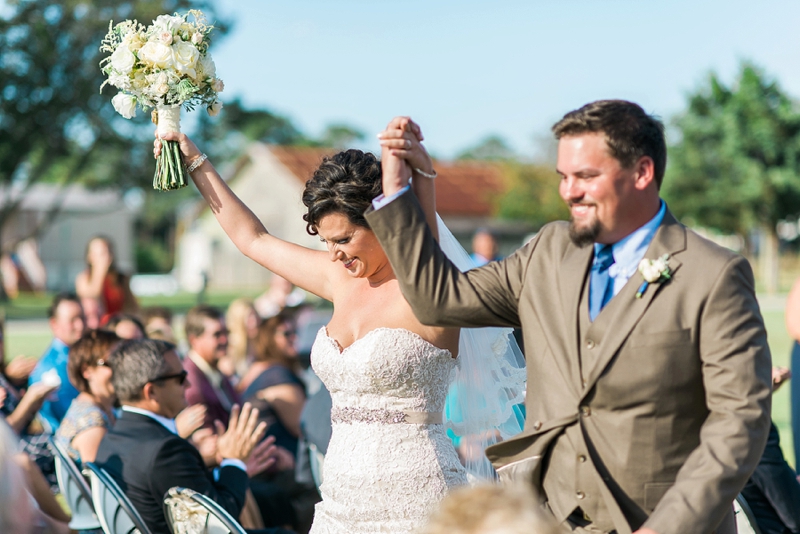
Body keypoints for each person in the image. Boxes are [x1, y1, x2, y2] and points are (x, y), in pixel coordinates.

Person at [366, 104, 772, 534]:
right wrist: (397, 190)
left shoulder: (713, 274)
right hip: (552, 518)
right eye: (563, 177)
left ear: (642, 173)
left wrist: (666, 527)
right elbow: (438, 299)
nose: (569, 192)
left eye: (586, 176)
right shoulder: (547, 251)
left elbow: (739, 421)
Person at [154, 124, 490, 533]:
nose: (335, 253)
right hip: (340, 499)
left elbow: (426, 240)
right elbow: (252, 238)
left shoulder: (428, 289)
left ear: (383, 221)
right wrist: (192, 157)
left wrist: (422, 177)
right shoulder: (337, 277)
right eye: (326, 241)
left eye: (345, 239)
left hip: (417, 497)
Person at [94, 339, 287, 534]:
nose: (188, 384)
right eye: (180, 377)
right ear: (151, 391)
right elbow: (219, 522)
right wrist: (234, 461)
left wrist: (235, 470)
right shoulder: (165, 450)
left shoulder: (111, 439)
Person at [55, 329, 121, 464]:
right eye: (112, 362)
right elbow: (98, 483)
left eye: (124, 361)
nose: (121, 368)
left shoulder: (104, 408)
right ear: (86, 370)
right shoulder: (91, 424)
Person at [29, 293, 86, 432]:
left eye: (82, 318)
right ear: (54, 324)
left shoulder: (79, 355)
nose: (81, 325)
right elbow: (68, 420)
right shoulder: (50, 371)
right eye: (72, 320)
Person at [184, 305, 241, 429]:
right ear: (194, 339)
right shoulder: (191, 385)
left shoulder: (215, 371)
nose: (225, 340)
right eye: (217, 334)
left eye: (226, 332)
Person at [75, 236, 138, 325]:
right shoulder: (84, 278)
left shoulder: (121, 278)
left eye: (109, 251)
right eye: (102, 253)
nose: (107, 256)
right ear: (90, 256)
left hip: (116, 324)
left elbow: (132, 307)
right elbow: (92, 299)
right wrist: (100, 271)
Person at [220, 298, 261, 380]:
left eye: (255, 315)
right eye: (249, 317)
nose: (255, 322)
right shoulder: (228, 348)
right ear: (238, 321)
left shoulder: (259, 343)